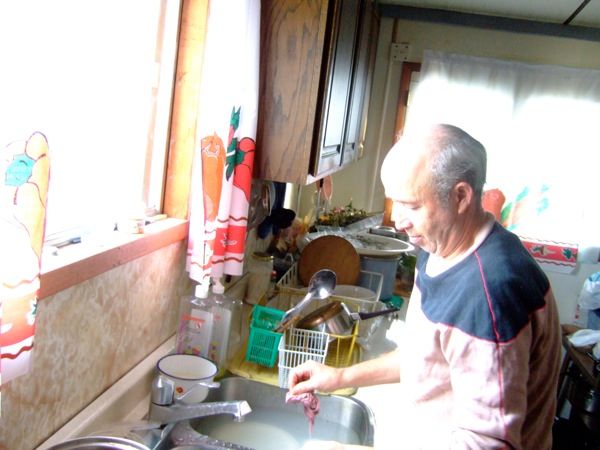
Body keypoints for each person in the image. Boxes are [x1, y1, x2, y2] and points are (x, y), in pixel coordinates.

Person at [289, 124, 561, 450]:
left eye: (413, 206)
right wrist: (340, 377)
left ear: (461, 196)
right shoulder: (441, 247)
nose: (400, 220)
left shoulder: (487, 295)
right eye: (396, 202)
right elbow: (425, 357)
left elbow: (488, 444)